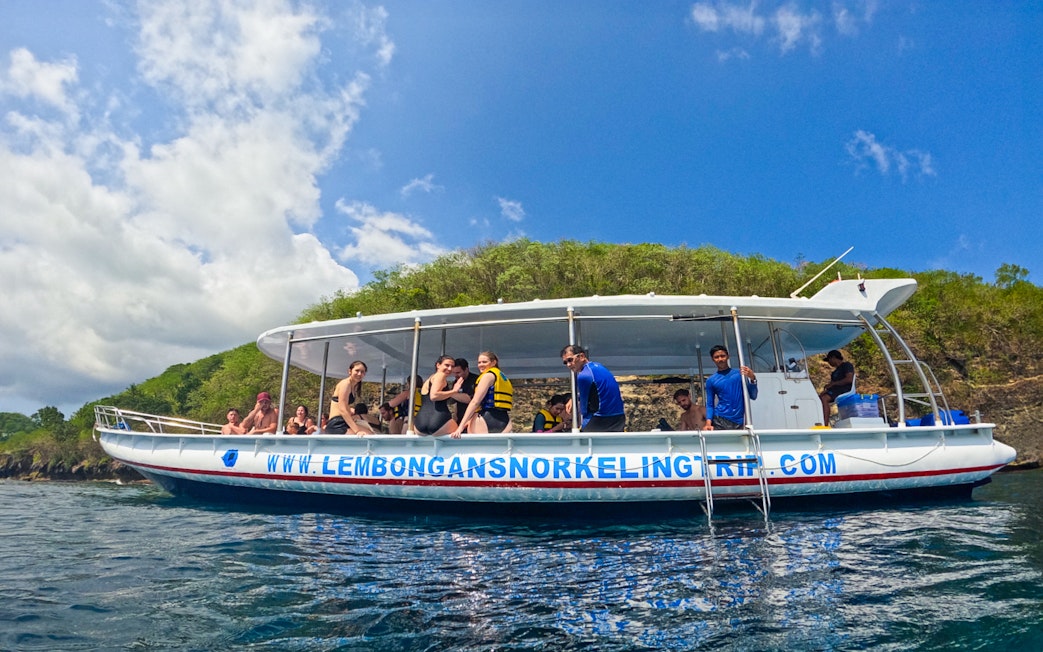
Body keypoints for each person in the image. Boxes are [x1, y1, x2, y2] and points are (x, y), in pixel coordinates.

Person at [561, 345, 625, 432]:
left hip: (601, 419)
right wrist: (574, 398)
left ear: (582, 356)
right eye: (565, 362)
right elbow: (598, 391)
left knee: (580, 443)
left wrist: (583, 427)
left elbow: (584, 408)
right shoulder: (598, 366)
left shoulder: (583, 376)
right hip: (619, 418)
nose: (568, 365)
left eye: (570, 360)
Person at [449, 351, 513, 438]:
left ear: (493, 362)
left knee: (479, 450)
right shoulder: (502, 376)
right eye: (479, 362)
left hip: (486, 418)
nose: (481, 365)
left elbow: (475, 402)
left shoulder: (487, 376)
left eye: (484, 362)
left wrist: (460, 427)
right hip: (504, 420)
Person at [703, 345, 758, 430]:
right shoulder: (711, 380)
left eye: (723, 356)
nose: (720, 359)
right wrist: (708, 423)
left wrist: (752, 378)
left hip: (739, 420)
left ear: (728, 356)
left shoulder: (740, 374)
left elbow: (753, 396)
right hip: (720, 419)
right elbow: (710, 404)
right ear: (712, 359)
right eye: (716, 357)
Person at [413, 355, 465, 436]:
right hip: (438, 420)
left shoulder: (429, 379)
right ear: (438, 365)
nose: (450, 369)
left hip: (420, 422)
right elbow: (434, 396)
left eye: (452, 366)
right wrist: (454, 391)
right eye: (447, 365)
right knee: (459, 434)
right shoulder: (440, 375)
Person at [326, 360, 368, 435]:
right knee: (365, 437)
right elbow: (342, 409)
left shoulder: (354, 386)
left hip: (344, 421)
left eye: (362, 372)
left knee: (371, 434)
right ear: (350, 371)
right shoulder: (345, 384)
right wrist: (357, 431)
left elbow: (345, 406)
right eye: (357, 370)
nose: (359, 374)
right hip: (337, 424)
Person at [820, 349, 855, 425]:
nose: (829, 362)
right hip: (836, 390)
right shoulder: (834, 372)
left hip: (845, 389)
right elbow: (833, 385)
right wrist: (827, 388)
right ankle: (820, 419)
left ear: (833, 358)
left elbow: (849, 379)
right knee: (819, 398)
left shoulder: (846, 365)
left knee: (824, 398)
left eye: (829, 360)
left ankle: (825, 423)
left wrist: (834, 384)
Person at [449, 358, 481, 429]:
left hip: (474, 418)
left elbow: (470, 399)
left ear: (466, 369)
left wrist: (450, 393)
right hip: (460, 418)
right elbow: (454, 402)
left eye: (458, 373)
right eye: (454, 373)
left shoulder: (476, 380)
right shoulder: (457, 381)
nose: (456, 375)